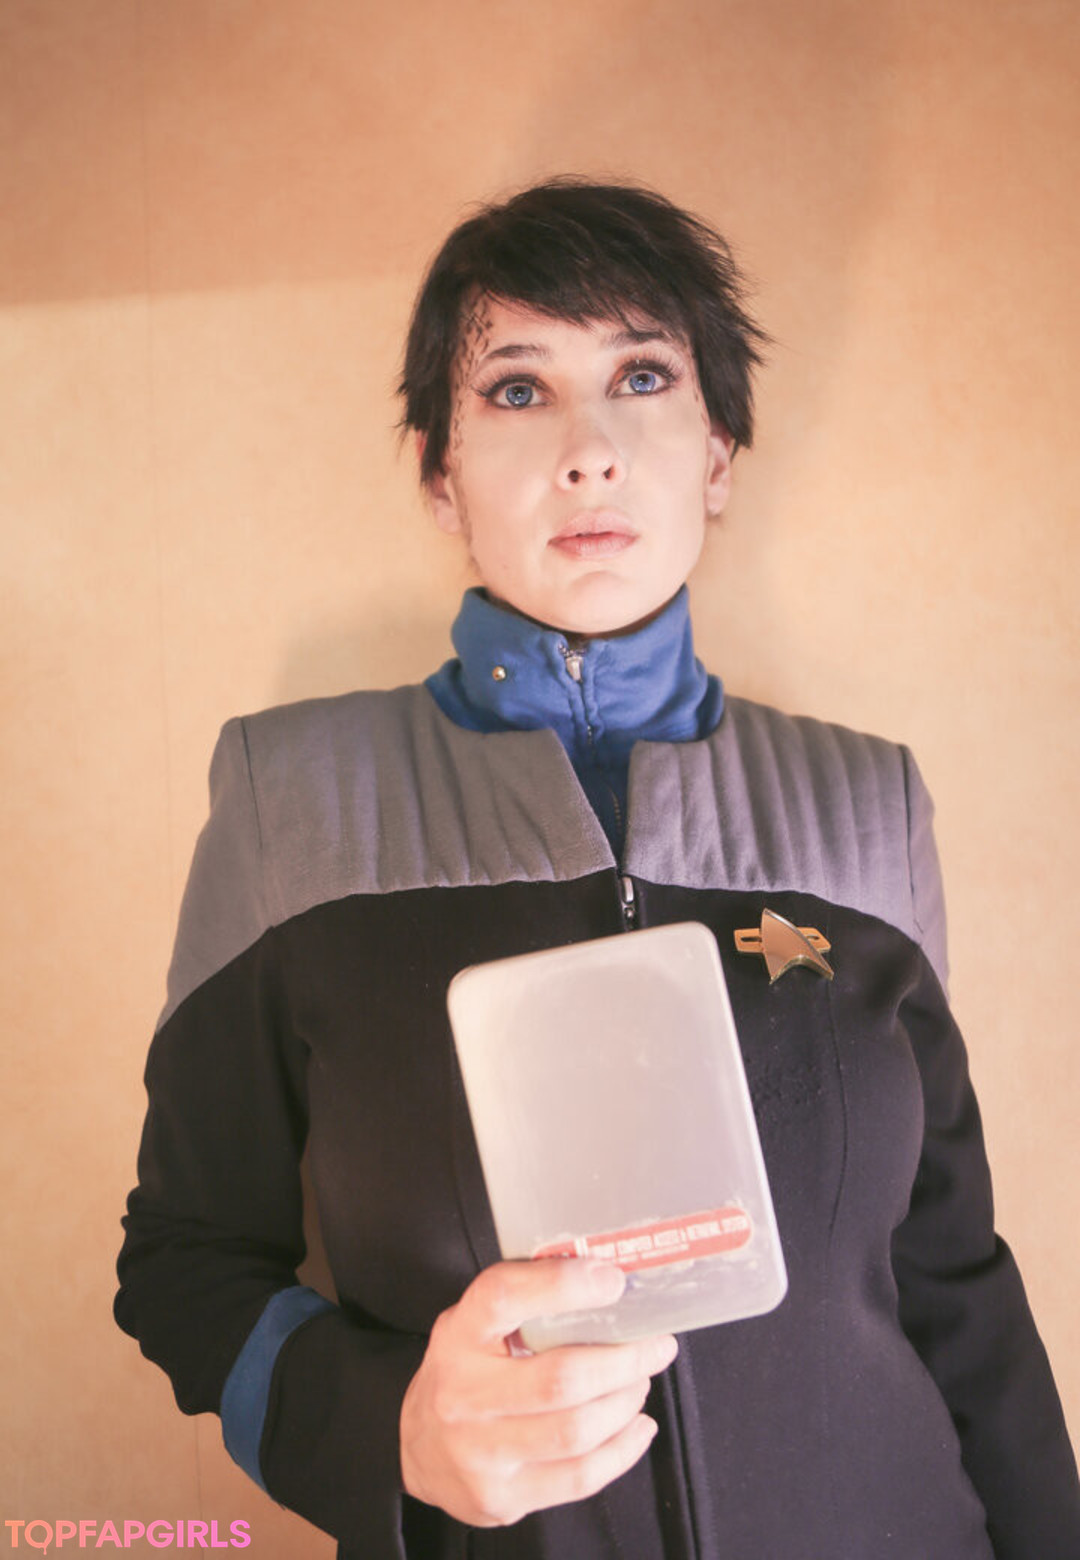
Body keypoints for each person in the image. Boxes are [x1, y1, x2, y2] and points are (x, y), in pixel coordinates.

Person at [115, 178, 1080, 1559]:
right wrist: (389, 1429)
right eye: (518, 389)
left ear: (718, 454)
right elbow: (186, 1260)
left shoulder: (869, 802)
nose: (589, 453)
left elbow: (954, 1279)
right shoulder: (292, 800)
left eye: (641, 376)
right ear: (440, 474)